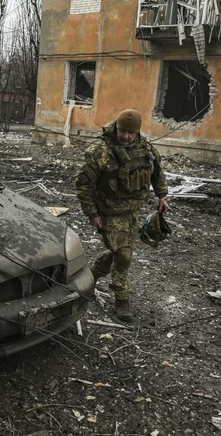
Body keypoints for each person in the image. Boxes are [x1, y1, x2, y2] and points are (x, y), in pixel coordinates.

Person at [76, 109, 169, 322]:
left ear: (137, 131)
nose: (126, 136)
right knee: (124, 255)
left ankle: (89, 276)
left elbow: (157, 173)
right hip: (108, 213)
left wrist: (162, 196)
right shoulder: (100, 151)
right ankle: (121, 297)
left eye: (130, 132)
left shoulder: (146, 149)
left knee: (117, 252)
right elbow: (83, 185)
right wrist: (92, 214)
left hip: (132, 211)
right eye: (122, 131)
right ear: (116, 127)